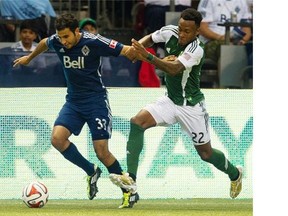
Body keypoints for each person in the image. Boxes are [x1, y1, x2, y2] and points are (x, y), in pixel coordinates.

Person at [109, 8, 243, 208]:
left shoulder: (196, 49)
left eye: (187, 31)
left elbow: (173, 69)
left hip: (191, 107)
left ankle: (235, 173)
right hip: (170, 101)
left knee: (205, 154)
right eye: (180, 29)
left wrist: (147, 57)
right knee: (137, 122)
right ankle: (132, 184)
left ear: (197, 31)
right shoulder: (170, 31)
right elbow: (151, 38)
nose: (181, 34)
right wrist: (134, 49)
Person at [13, 13, 137, 205]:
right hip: (74, 101)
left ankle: (129, 190)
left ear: (77, 31)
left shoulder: (94, 42)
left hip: (96, 101)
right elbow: (45, 42)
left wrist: (153, 58)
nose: (63, 41)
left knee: (102, 152)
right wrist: (29, 58)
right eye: (60, 37)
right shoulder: (57, 40)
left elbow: (126, 50)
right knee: (57, 139)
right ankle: (91, 171)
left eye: (66, 37)